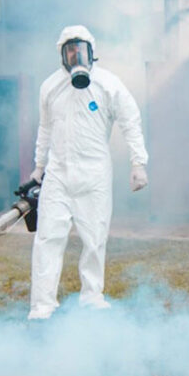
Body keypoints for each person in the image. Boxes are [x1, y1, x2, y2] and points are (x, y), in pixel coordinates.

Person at [27, 25, 149, 320]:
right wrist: (39, 167)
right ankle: (42, 306)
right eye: (70, 51)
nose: (75, 55)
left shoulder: (108, 84)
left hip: (94, 174)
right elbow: (44, 128)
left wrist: (138, 162)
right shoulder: (50, 87)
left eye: (80, 49)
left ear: (92, 53)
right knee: (47, 239)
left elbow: (130, 120)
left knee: (95, 238)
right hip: (58, 173)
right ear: (62, 56)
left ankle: (92, 297)